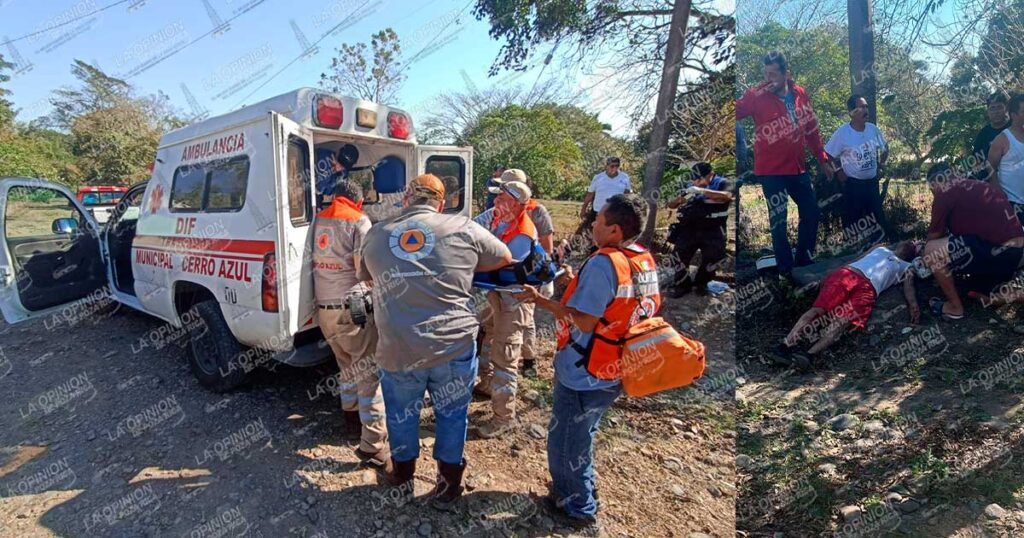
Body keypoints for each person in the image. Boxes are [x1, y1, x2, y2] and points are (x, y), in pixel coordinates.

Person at [357, 174, 513, 510]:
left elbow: (366, 277)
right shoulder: (464, 227)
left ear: (405, 200)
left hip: (399, 348)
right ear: (440, 203)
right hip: (453, 346)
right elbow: (503, 257)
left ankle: (402, 475)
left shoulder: (376, 233)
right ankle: (448, 485)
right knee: (452, 415)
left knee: (401, 414)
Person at [513, 193, 658, 533]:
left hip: (586, 368)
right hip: (619, 364)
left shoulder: (604, 263)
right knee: (583, 434)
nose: (592, 222)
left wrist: (541, 300)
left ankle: (577, 506)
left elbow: (586, 322)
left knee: (566, 440)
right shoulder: (642, 259)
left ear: (615, 231)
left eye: (599, 220)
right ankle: (583, 488)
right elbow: (620, 306)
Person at [312, 180, 389, 468]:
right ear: (357, 201)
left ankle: (350, 421)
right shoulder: (359, 220)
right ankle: (373, 444)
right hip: (351, 309)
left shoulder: (318, 218)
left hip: (324, 311)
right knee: (369, 375)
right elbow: (363, 267)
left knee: (346, 367)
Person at [736, 51, 832, 276]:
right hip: (771, 171)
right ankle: (786, 270)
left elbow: (811, 129)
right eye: (765, 74)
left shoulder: (800, 94)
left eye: (773, 74)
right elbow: (735, 111)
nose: (769, 79)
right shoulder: (756, 95)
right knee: (778, 220)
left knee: (811, 211)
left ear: (786, 73)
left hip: (798, 168)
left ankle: (804, 261)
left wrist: (823, 159)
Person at [776, 241, 923, 370]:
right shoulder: (881, 248)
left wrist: (913, 306)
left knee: (842, 322)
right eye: (911, 241)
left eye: (916, 246)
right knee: (817, 310)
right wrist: (832, 272)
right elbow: (858, 258)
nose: (912, 243)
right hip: (847, 274)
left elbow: (909, 287)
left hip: (868, 289)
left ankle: (809, 356)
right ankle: (785, 345)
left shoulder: (907, 266)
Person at [471, 170, 537, 438]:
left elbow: (500, 262)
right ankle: (487, 385)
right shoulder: (499, 222)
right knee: (487, 338)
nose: (497, 204)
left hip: (514, 300)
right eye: (497, 199)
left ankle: (503, 417)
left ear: (519, 205)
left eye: (504, 200)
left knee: (506, 355)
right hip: (496, 294)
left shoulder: (523, 231)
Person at [921, 163, 1024, 320]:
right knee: (975, 291)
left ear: (935, 183)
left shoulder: (944, 190)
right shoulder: (981, 186)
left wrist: (921, 252)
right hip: (1015, 256)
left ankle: (954, 308)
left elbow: (933, 237)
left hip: (997, 252)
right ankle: (1001, 297)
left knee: (931, 251)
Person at [824, 94, 889, 248]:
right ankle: (852, 250)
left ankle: (878, 248)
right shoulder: (843, 133)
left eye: (866, 106)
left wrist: (882, 165)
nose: (865, 110)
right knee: (852, 220)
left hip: (872, 182)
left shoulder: (873, 129)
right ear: (851, 111)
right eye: (861, 107)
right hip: (853, 183)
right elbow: (828, 154)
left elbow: (885, 148)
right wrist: (838, 171)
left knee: (876, 217)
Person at [666, 162, 733, 297]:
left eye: (699, 178)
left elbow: (727, 196)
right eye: (694, 178)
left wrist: (702, 191)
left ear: (710, 175)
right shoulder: (689, 185)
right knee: (679, 257)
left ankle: (701, 283)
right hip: (690, 227)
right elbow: (670, 204)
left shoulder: (723, 182)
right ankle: (682, 284)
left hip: (713, 229)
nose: (696, 181)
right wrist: (681, 199)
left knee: (713, 259)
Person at [520, 175, 555, 377]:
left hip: (529, 273)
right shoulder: (500, 210)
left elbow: (547, 248)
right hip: (507, 273)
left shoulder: (536, 211)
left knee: (526, 318)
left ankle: (529, 360)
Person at [987, 93, 1024, 222]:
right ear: (1014, 115)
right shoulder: (1002, 139)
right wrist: (999, 195)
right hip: (1012, 203)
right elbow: (990, 167)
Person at [576, 157, 631, 239]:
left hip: (616, 213)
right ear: (607, 166)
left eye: (617, 166)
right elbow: (590, 194)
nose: (614, 168)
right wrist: (583, 209)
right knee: (593, 235)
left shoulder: (624, 178)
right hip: (598, 212)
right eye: (612, 166)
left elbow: (627, 195)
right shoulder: (598, 178)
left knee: (612, 236)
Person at [974, 91, 1010, 180]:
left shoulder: (1015, 127)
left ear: (1006, 109)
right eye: (992, 108)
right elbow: (977, 161)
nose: (996, 112)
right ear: (988, 112)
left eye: (999, 107)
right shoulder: (983, 134)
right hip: (992, 179)